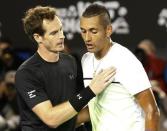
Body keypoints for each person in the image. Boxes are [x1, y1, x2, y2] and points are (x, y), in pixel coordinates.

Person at [15, 6, 116, 131]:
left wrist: (110, 103)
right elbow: (51, 119)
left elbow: (76, 107)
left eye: (61, 30)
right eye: (54, 33)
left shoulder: (70, 61)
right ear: (38, 37)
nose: (61, 36)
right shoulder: (26, 73)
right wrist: (91, 90)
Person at [79, 4, 160, 131]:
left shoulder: (125, 60)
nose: (87, 38)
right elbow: (96, 107)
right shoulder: (86, 60)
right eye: (83, 31)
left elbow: (152, 111)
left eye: (93, 31)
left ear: (108, 30)